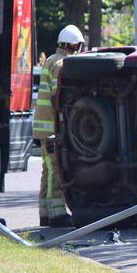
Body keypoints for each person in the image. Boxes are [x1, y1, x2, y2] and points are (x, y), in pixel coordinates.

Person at [32, 25, 84, 227]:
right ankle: (56, 215)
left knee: (47, 171)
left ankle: (45, 214)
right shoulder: (61, 64)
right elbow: (58, 97)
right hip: (51, 129)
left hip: (43, 128)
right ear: (74, 45)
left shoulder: (51, 60)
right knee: (55, 170)